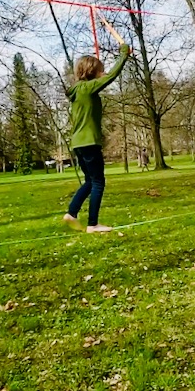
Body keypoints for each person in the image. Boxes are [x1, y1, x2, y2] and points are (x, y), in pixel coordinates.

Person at [62, 13, 130, 233]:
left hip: (79, 144)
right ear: (93, 73)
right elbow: (111, 76)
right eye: (100, 70)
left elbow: (105, 77)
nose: (103, 73)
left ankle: (71, 213)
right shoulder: (87, 89)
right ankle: (93, 224)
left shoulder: (79, 91)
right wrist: (123, 53)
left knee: (91, 181)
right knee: (99, 182)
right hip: (89, 143)